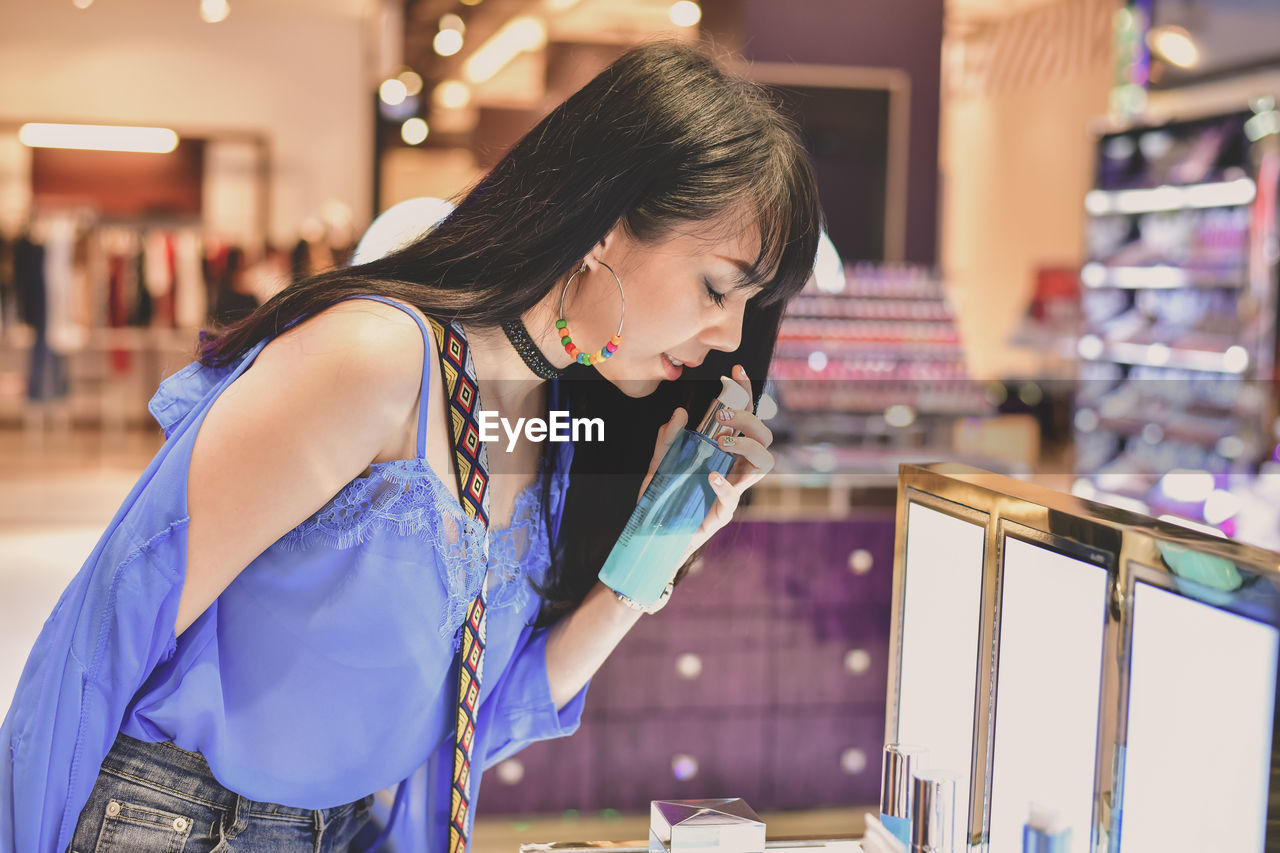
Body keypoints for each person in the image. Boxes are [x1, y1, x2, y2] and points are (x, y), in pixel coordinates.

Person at [0, 40, 820, 853]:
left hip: (341, 828)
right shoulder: (374, 357)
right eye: (718, 287)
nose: (729, 336)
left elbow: (473, 728)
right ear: (607, 226)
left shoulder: (544, 416)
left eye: (751, 305)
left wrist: (653, 550)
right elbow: (106, 624)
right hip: (179, 823)